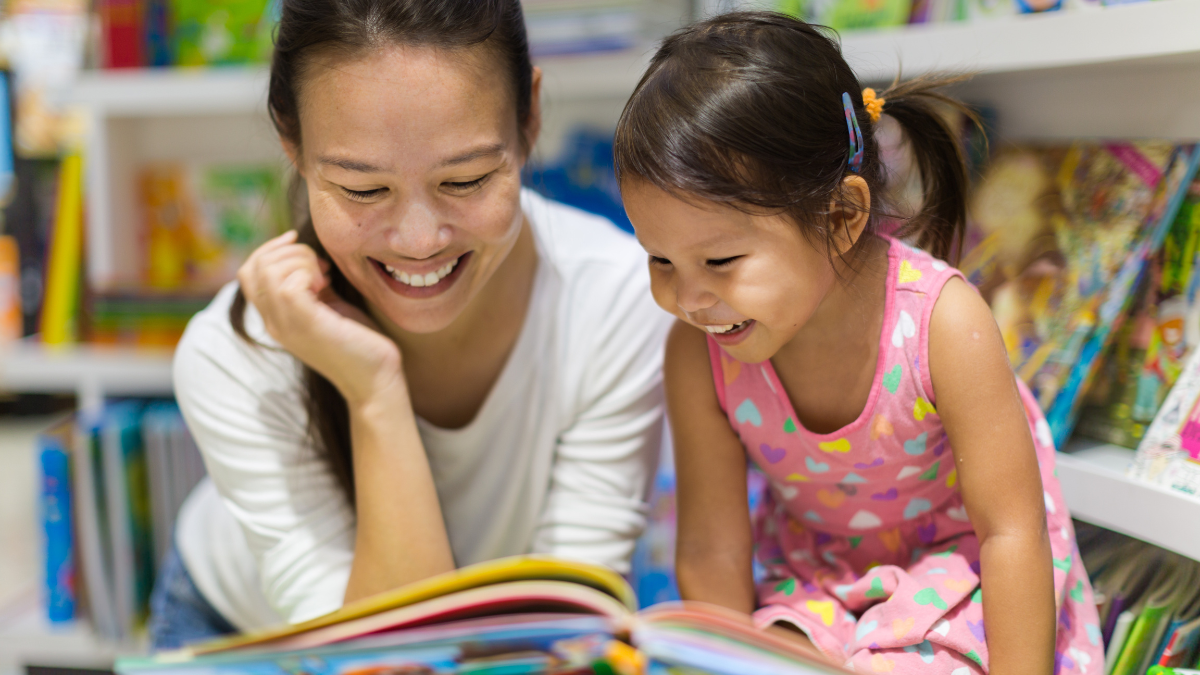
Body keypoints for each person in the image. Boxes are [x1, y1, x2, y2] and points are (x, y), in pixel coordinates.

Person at [149, 0, 671, 649]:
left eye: (466, 179)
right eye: (364, 190)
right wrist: (373, 391)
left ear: (530, 116)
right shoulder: (236, 354)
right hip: (240, 627)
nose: (420, 240)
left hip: (498, 647)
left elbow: (566, 624)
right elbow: (385, 662)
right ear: (292, 143)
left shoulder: (616, 300)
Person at [611, 12, 1102, 675]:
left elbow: (1011, 534)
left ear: (841, 216)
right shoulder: (698, 351)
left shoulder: (944, 323)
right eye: (660, 260)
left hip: (963, 577)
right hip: (817, 586)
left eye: (721, 260)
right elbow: (712, 552)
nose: (688, 297)